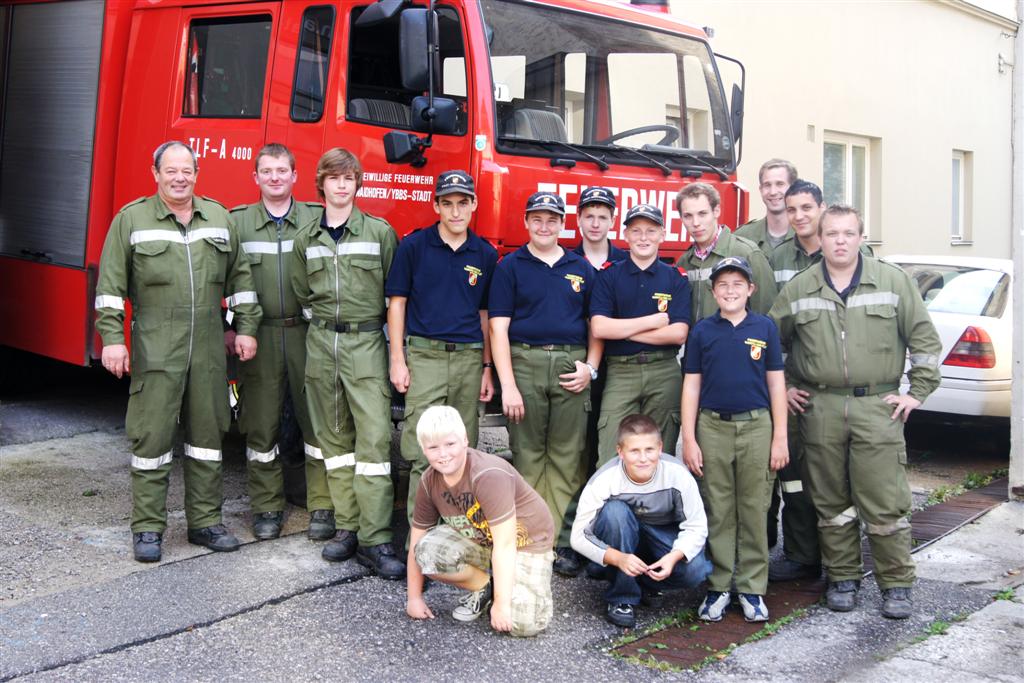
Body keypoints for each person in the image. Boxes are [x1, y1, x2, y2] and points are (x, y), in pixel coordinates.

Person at [769, 205, 941, 619]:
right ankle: (843, 577)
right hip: (821, 407)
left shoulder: (893, 281)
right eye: (832, 234)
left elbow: (925, 342)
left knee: (884, 501)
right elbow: (771, 344)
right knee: (830, 500)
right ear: (821, 239)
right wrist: (788, 388)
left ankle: (896, 584)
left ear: (862, 237)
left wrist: (916, 393)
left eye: (848, 233)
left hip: (876, 405)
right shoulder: (800, 287)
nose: (840, 241)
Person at [95, 140, 261, 562]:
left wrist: (244, 328)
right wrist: (112, 339)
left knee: (208, 438)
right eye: (171, 170)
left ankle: (205, 523)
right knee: (152, 439)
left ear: (196, 173)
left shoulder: (219, 218)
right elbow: (111, 290)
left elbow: (240, 280)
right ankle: (149, 529)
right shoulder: (131, 220)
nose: (180, 177)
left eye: (187, 170)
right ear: (156, 173)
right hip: (155, 346)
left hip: (207, 344)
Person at [289, 148, 404, 579]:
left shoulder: (378, 233)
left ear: (358, 183)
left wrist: (395, 353)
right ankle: (348, 528)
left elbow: (395, 296)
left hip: (367, 344)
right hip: (321, 345)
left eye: (348, 178)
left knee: (373, 445)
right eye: (333, 178)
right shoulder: (306, 239)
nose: (341, 185)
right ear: (321, 184)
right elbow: (303, 293)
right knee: (334, 444)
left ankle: (376, 538)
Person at [488, 191, 602, 576]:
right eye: (537, 219)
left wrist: (590, 367)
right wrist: (509, 385)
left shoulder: (580, 268)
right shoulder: (510, 266)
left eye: (552, 219)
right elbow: (497, 328)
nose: (544, 226)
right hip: (525, 362)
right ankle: (530, 538)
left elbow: (595, 326)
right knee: (528, 454)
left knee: (568, 457)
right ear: (526, 222)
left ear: (562, 224)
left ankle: (560, 542)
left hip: (570, 363)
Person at [229, 143, 333, 541]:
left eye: (282, 171)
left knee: (317, 422)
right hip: (261, 335)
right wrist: (234, 328)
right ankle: (267, 509)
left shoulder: (315, 218)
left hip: (308, 333)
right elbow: (224, 281)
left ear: (294, 176)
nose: (275, 177)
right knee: (261, 427)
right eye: (267, 171)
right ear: (255, 178)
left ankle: (322, 506)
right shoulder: (238, 223)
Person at [385, 170, 498, 522]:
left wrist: (486, 368)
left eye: (462, 203)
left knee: (462, 448)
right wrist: (397, 360)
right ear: (435, 205)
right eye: (447, 204)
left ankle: (456, 532)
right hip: (425, 354)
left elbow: (485, 315)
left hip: (467, 359)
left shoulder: (485, 254)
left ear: (474, 205)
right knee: (424, 448)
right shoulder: (414, 247)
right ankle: (420, 534)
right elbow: (397, 304)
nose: (455, 212)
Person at [681, 256, 789, 623]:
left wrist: (780, 437)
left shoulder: (765, 328)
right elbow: (691, 384)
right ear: (713, 291)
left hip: (757, 427)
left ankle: (752, 587)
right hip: (713, 427)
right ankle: (720, 584)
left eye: (737, 284)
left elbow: (776, 383)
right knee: (719, 508)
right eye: (723, 285)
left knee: (755, 507)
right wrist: (689, 438)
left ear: (750, 290)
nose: (730, 291)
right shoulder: (702, 331)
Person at [406, 406, 555, 637]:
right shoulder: (428, 481)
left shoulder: (488, 474)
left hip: (525, 542)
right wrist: (414, 599)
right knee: (426, 551)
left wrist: (502, 605)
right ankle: (484, 585)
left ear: (465, 440)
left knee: (523, 624)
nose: (443, 454)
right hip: (483, 539)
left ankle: (508, 589)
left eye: (450, 444)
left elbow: (506, 545)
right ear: (424, 450)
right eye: (433, 447)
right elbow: (415, 541)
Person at [571, 414, 711, 629]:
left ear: (660, 448)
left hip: (661, 534)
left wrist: (675, 556)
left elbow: (696, 525)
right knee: (615, 512)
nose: (643, 458)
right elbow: (578, 537)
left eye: (649, 450)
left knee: (697, 570)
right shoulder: (604, 479)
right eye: (634, 451)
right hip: (621, 533)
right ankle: (622, 597)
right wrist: (617, 557)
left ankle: (644, 581)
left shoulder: (678, 475)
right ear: (620, 451)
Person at [555, 186, 628, 576]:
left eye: (603, 215)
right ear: (578, 219)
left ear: (613, 219)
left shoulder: (627, 261)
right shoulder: (564, 260)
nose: (595, 222)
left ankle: (610, 541)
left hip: (620, 371)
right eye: (589, 214)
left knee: (613, 456)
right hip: (578, 371)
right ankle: (571, 541)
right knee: (577, 456)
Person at [590, 204, 690, 463]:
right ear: (625, 235)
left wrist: (622, 329)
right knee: (611, 452)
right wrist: (652, 322)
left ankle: (657, 504)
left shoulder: (675, 277)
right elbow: (600, 327)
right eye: (636, 231)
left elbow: (678, 334)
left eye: (650, 231)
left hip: (664, 371)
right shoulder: (609, 275)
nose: (643, 238)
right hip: (621, 372)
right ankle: (613, 504)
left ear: (662, 235)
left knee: (661, 454)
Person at [675, 183, 776, 327]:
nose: (695, 223)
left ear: (716, 211)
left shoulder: (747, 253)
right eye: (688, 216)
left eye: (702, 214)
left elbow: (766, 315)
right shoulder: (684, 262)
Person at [734, 158, 798, 257]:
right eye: (767, 185)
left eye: (780, 184)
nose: (773, 192)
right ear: (761, 190)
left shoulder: (807, 236)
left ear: (793, 188)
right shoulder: (741, 237)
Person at [572, 186, 629, 269]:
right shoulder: (567, 262)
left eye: (602, 218)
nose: (595, 224)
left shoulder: (627, 261)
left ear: (612, 221)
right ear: (578, 219)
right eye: (589, 217)